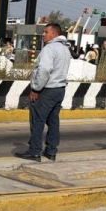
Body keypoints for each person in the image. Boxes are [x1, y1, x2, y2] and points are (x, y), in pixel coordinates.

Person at [15, 23, 71, 162]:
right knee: (53, 121)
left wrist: (36, 89)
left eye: (46, 32)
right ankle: (51, 151)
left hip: (47, 89)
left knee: (37, 120)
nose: (43, 35)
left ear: (54, 34)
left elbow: (44, 70)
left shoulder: (49, 48)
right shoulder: (65, 49)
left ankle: (34, 151)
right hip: (60, 89)